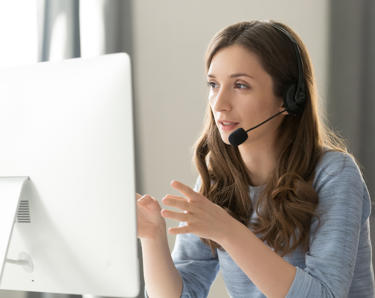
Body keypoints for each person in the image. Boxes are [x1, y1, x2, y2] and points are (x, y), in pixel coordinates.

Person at [136, 20, 374, 298]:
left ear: (289, 98)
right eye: (213, 84)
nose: (219, 103)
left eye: (240, 85)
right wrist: (152, 236)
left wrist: (229, 231)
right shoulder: (216, 181)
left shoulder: (335, 174)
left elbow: (325, 295)